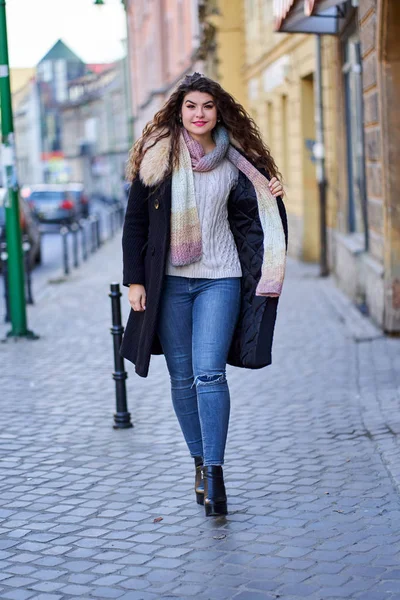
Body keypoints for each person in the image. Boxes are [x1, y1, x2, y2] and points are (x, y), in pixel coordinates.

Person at [121, 72, 288, 517]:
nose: (199, 114)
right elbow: (134, 221)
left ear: (219, 111)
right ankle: (198, 460)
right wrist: (134, 280)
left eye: (207, 106)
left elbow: (259, 213)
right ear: (180, 109)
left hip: (222, 277)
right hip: (169, 284)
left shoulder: (238, 159)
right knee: (181, 379)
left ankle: (215, 472)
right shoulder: (157, 157)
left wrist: (271, 194)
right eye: (191, 106)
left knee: (209, 374)